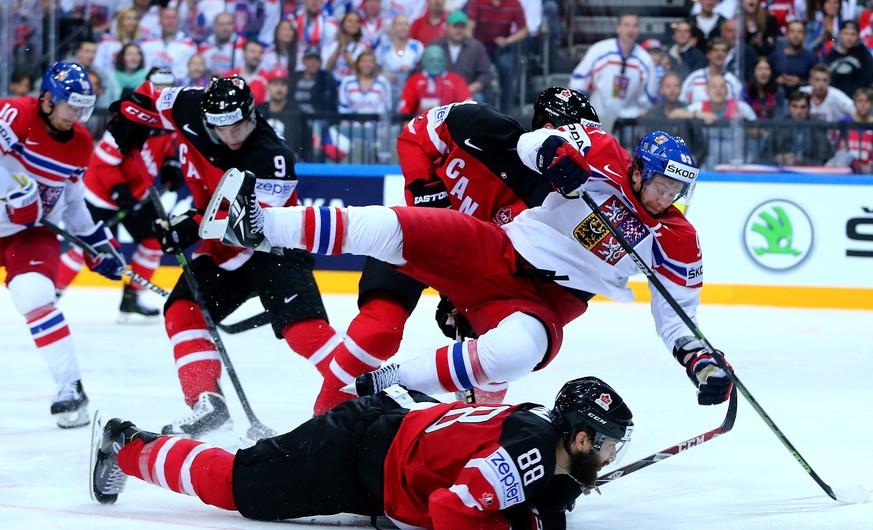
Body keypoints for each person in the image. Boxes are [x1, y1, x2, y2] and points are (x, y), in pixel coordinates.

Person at [216, 122, 735, 409]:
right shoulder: (600, 152)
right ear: (639, 170)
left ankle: (388, 382)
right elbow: (532, 144)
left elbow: (678, 320)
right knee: (396, 226)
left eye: (678, 189)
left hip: (543, 304)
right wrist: (554, 152)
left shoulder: (677, 240)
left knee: (515, 353)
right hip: (500, 248)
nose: (669, 196)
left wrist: (703, 363)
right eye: (663, 183)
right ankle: (257, 222)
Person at [308, 88, 601, 413]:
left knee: (497, 351)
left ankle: (471, 435)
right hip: (417, 236)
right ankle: (321, 422)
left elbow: (559, 293)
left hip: (476, 274)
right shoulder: (483, 124)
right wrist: (425, 189)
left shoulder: (563, 205)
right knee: (380, 328)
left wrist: (469, 298)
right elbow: (416, 134)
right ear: (547, 129)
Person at [91, 376, 634, 530]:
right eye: (609, 443)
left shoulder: (542, 439)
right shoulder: (534, 451)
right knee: (241, 488)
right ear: (581, 439)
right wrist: (529, 525)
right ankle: (128, 444)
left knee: (247, 481)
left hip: (382, 447)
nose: (612, 455)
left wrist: (551, 499)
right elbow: (451, 516)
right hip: (355, 452)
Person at [104, 76, 342, 438]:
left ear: (251, 113)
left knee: (302, 331)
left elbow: (247, 223)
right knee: (183, 311)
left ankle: (363, 387)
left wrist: (189, 226)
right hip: (221, 253)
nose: (231, 135)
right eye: (221, 127)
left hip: (272, 243)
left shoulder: (271, 156)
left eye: (239, 125)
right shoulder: (188, 105)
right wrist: (130, 115)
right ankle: (207, 403)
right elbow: (152, 93)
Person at [0, 62, 124, 428]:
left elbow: (71, 202)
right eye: (73, 106)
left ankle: (69, 387)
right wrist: (11, 191)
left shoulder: (81, 143)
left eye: (85, 108)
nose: (79, 116)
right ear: (48, 100)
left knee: (35, 295)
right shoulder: (15, 114)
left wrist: (95, 241)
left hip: (30, 234)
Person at [55, 67, 182, 322]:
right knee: (88, 248)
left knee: (154, 241)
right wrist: (120, 192)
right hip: (101, 193)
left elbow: (166, 145)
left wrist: (171, 164)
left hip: (136, 194)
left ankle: (131, 299)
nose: (163, 92)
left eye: (168, 86)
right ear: (147, 87)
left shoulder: (168, 117)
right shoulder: (132, 116)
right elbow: (102, 162)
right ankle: (53, 293)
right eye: (158, 86)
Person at [570, 12, 658, 121]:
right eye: (626, 25)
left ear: (638, 30)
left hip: (629, 121)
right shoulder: (599, 50)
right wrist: (579, 107)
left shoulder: (645, 60)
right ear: (618, 28)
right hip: (597, 117)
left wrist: (642, 111)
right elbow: (579, 79)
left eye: (634, 26)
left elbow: (650, 95)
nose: (630, 30)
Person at [466, 0, 529, 113]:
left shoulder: (514, 3)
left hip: (502, 47)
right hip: (480, 47)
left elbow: (524, 30)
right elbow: (470, 26)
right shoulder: (477, 2)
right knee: (482, 73)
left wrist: (508, 40)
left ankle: (507, 112)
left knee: (506, 67)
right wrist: (472, 44)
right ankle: (484, 110)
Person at [430, 11, 494, 103]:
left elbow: (486, 74)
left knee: (478, 100)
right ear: (447, 27)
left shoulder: (476, 47)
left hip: (468, 91)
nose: (459, 30)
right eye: (455, 26)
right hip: (439, 91)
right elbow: (424, 70)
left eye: (462, 27)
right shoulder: (436, 46)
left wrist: (471, 88)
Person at [762, 90, 835, 166]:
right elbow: (764, 154)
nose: (798, 112)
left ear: (809, 108)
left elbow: (824, 157)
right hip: (782, 170)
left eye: (803, 107)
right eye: (795, 106)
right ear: (788, 107)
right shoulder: (779, 125)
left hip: (809, 171)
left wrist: (799, 160)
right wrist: (776, 158)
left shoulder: (817, 126)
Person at [397, 45, 472, 115]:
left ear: (445, 61)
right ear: (424, 61)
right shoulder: (414, 81)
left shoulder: (456, 80)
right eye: (431, 60)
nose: (435, 64)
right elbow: (405, 108)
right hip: (420, 124)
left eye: (439, 60)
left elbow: (467, 106)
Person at [680, 38, 745, 105]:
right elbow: (682, 103)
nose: (720, 53)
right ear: (708, 54)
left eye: (723, 51)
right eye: (716, 50)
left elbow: (739, 108)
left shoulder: (733, 82)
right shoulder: (694, 78)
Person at [769, 20, 821, 97]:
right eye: (792, 31)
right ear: (786, 35)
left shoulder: (813, 57)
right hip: (778, 100)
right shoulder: (774, 57)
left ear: (805, 36)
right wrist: (777, 81)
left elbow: (819, 82)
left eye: (799, 32)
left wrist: (800, 82)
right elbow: (766, 81)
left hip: (804, 101)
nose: (796, 35)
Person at [823, 20, 873, 99]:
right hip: (834, 98)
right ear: (839, 35)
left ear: (857, 36)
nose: (849, 38)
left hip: (857, 100)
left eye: (852, 34)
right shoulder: (832, 54)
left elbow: (868, 79)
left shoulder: (864, 54)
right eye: (846, 33)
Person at [198, 12, 246, 78]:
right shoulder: (205, 45)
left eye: (229, 24)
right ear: (214, 27)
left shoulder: (243, 45)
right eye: (221, 24)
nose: (225, 28)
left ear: (234, 26)